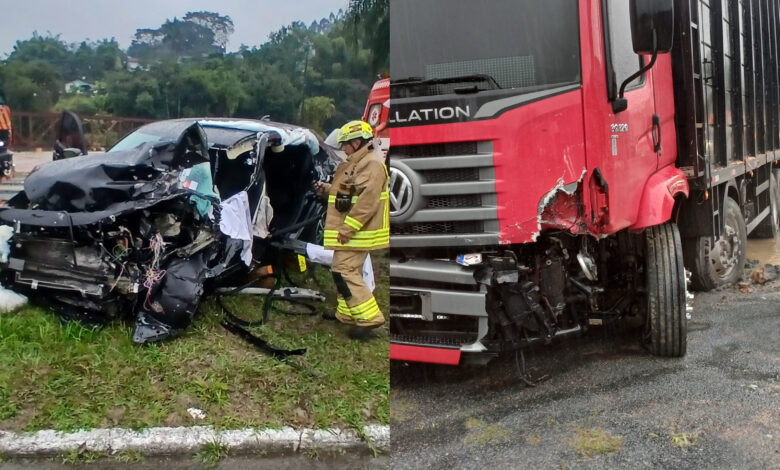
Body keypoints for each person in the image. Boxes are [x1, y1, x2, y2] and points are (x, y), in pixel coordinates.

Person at [314, 120, 389, 335]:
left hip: (358, 232)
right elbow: (349, 193)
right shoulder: (359, 161)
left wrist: (347, 229)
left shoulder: (372, 164)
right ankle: (347, 314)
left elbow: (367, 203)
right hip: (354, 232)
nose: (344, 149)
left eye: (346, 144)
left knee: (343, 270)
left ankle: (369, 318)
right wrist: (327, 190)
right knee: (345, 270)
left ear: (357, 142)